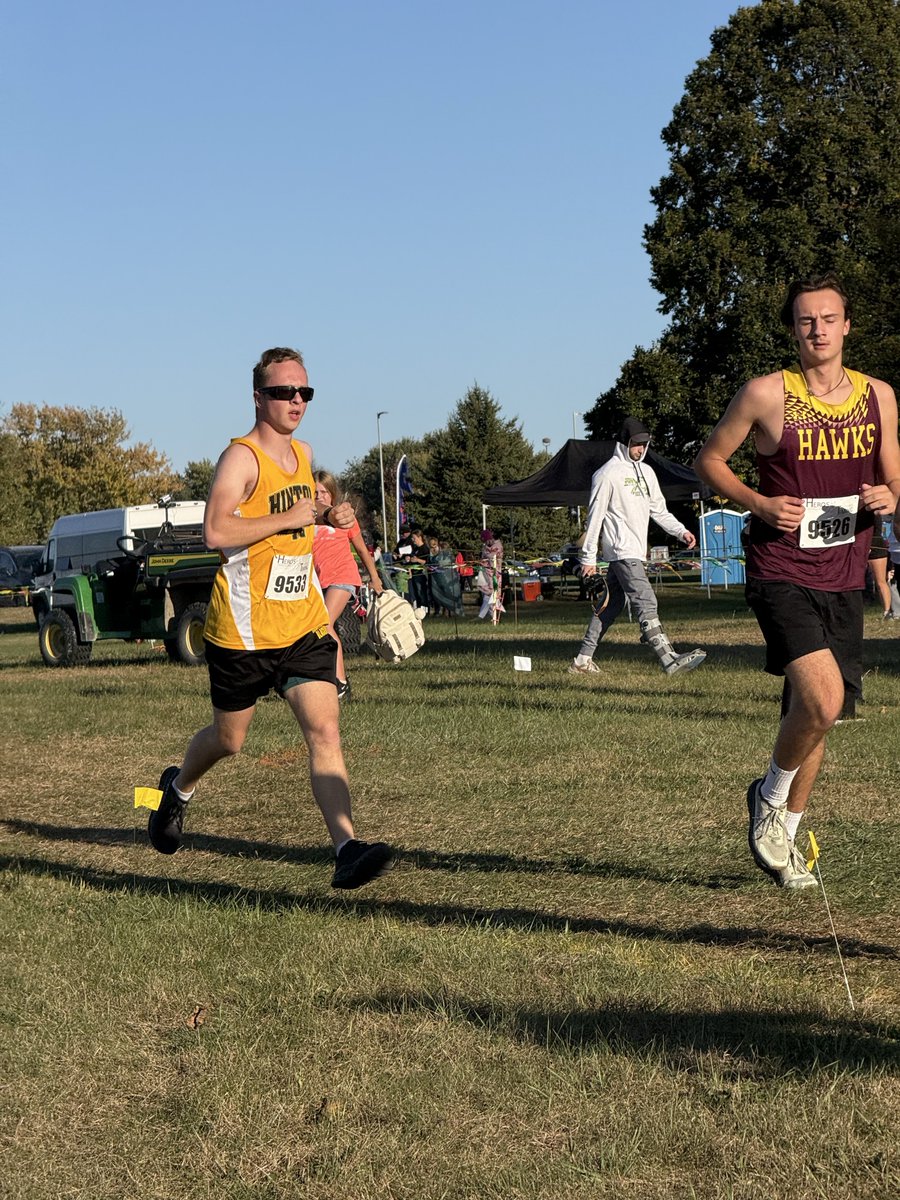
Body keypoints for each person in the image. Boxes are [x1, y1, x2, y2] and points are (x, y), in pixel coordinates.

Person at [146, 347, 393, 890]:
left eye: (305, 391)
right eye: (285, 392)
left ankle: (346, 849)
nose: (297, 401)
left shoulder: (302, 454)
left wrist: (329, 514)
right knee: (229, 740)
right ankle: (177, 789)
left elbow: (304, 514)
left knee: (324, 730)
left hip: (302, 623)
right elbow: (215, 532)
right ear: (258, 397)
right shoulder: (241, 459)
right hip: (244, 631)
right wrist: (289, 517)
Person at [694, 272, 900, 890]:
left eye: (829, 318)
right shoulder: (764, 394)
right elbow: (709, 461)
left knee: (816, 713)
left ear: (846, 325)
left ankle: (786, 832)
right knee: (824, 698)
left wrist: (887, 495)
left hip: (843, 573)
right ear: (794, 329)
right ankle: (769, 797)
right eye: (806, 320)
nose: (819, 330)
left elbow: (895, 478)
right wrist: (757, 503)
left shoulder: (879, 397)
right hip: (780, 568)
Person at [570, 418, 705, 675]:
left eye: (645, 444)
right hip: (621, 551)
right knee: (646, 600)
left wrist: (681, 531)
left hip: (635, 551)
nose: (641, 449)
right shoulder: (606, 475)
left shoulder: (647, 473)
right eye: (636, 444)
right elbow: (594, 517)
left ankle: (581, 661)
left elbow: (659, 510)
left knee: (611, 606)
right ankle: (669, 660)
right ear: (624, 443)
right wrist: (588, 558)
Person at [312, 469, 384, 700]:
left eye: (324, 492)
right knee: (318, 628)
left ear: (332, 494)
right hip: (319, 579)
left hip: (343, 577)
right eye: (314, 492)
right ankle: (322, 678)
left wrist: (375, 577)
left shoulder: (345, 519)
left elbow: (362, 550)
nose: (319, 496)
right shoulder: (308, 520)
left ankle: (341, 683)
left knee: (323, 624)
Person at [477, 529, 504, 621]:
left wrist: (487, 556)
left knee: (493, 594)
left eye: (487, 540)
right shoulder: (485, 547)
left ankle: (492, 615)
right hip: (486, 573)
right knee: (487, 594)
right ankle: (487, 615)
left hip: (495, 574)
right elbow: (483, 557)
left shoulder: (498, 546)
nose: (487, 543)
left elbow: (493, 556)